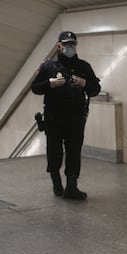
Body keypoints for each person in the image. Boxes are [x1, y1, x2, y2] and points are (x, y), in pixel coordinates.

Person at [31, 31, 101, 200]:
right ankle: (56, 182)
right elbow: (35, 87)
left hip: (76, 117)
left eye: (73, 44)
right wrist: (49, 83)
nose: (70, 47)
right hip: (54, 117)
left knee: (74, 151)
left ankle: (72, 186)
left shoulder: (83, 66)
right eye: (67, 44)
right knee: (54, 152)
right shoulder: (48, 66)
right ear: (59, 46)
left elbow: (95, 89)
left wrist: (85, 83)